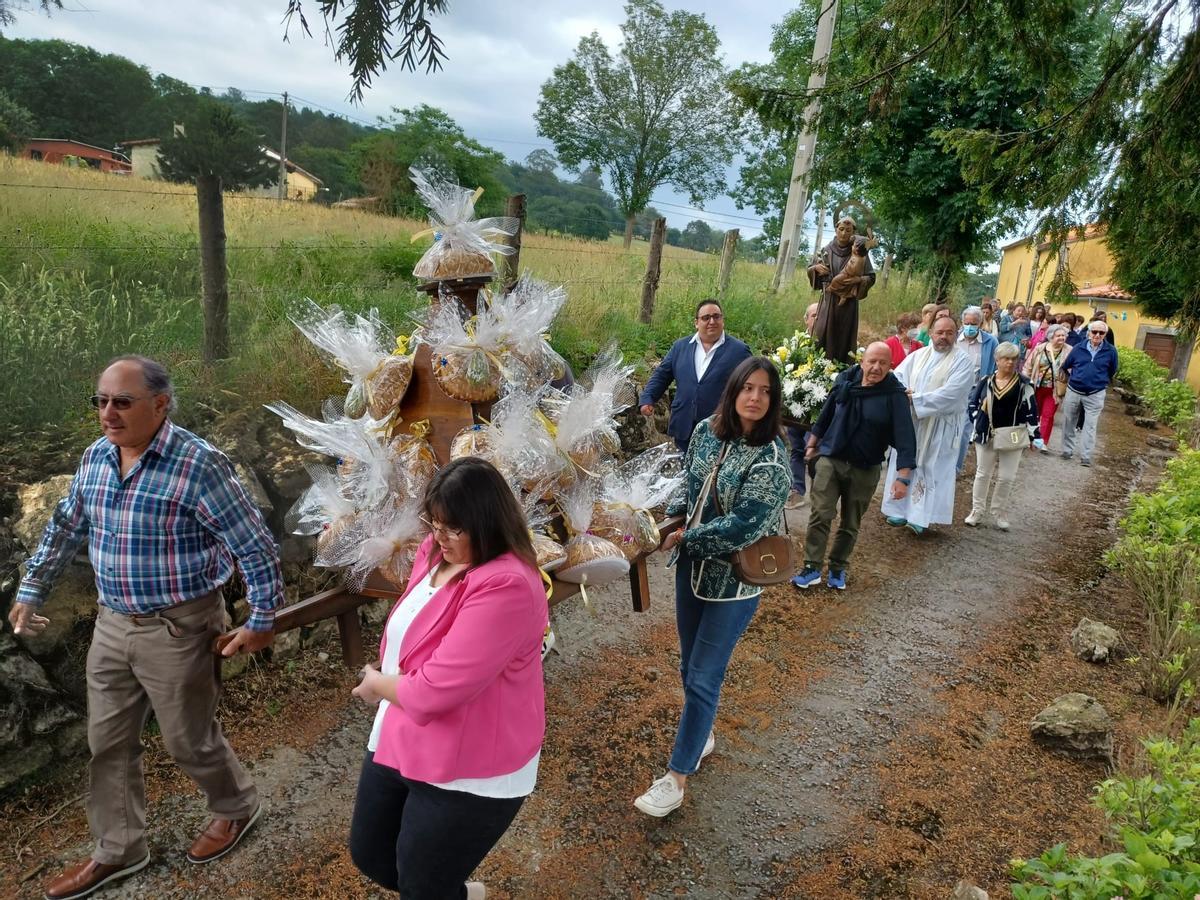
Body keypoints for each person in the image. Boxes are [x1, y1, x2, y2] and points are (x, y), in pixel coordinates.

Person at [10, 356, 281, 900]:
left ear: (160, 404)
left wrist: (262, 618)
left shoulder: (199, 465)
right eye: (101, 401)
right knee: (107, 743)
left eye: (121, 402)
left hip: (180, 628)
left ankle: (236, 806)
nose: (107, 413)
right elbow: (65, 525)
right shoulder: (97, 457)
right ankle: (119, 849)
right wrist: (31, 587)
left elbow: (254, 546)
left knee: (188, 740)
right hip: (112, 625)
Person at [348, 457, 547, 900]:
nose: (440, 536)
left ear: (487, 522)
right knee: (372, 855)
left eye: (453, 528)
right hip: (405, 730)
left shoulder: (508, 584)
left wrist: (377, 684)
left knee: (423, 885)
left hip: (471, 760)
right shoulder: (435, 552)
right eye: (434, 523)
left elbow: (434, 691)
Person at [635, 357, 790, 817]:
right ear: (734, 390)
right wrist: (668, 520)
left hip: (734, 582)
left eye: (765, 391)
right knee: (689, 665)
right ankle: (700, 734)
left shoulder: (772, 458)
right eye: (748, 388)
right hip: (692, 571)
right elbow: (688, 483)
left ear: (774, 400)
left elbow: (744, 525)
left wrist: (687, 538)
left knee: (704, 676)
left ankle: (676, 777)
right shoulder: (707, 430)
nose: (755, 398)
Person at [791, 342, 917, 591]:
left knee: (850, 522)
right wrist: (811, 445)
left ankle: (838, 567)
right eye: (872, 361)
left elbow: (905, 438)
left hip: (865, 467)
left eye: (883, 363)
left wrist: (903, 478)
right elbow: (826, 414)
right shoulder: (845, 382)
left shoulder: (894, 395)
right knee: (821, 514)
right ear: (862, 362)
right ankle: (811, 567)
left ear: (890, 366)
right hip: (831, 459)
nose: (876, 367)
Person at [880, 317, 976, 535]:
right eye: (940, 332)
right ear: (931, 333)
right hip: (913, 421)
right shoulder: (918, 355)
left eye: (949, 333)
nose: (944, 337)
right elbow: (899, 377)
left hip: (940, 426)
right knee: (906, 460)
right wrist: (903, 394)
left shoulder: (962, 362)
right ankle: (898, 509)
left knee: (931, 468)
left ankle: (920, 517)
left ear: (956, 335)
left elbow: (952, 393)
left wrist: (916, 399)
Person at [639, 298, 752, 451]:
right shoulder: (680, 347)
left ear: (722, 320)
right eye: (706, 318)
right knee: (684, 464)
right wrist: (648, 398)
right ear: (696, 323)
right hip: (683, 425)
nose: (712, 321)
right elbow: (662, 375)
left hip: (719, 427)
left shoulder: (739, 351)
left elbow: (750, 386)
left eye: (716, 316)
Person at [964, 343, 1043, 530]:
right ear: (997, 360)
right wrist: (978, 420)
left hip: (1012, 435)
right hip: (986, 434)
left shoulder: (1024, 384)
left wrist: (1035, 436)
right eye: (1006, 358)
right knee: (982, 474)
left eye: (1014, 359)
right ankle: (977, 511)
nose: (1010, 362)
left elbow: (1031, 410)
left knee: (1007, 477)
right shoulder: (985, 381)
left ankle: (999, 512)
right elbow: (972, 403)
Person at [808, 216, 876, 363]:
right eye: (841, 229)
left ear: (853, 232)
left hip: (848, 305)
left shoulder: (860, 252)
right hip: (828, 301)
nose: (844, 233)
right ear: (836, 230)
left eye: (848, 230)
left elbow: (871, 277)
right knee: (822, 335)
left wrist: (859, 280)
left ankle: (842, 368)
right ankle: (819, 367)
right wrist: (815, 269)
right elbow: (811, 270)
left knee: (844, 338)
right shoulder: (826, 250)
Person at [1059, 319, 1119, 466]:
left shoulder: (1111, 351)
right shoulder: (1078, 348)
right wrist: (1075, 377)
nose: (1097, 335)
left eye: (1101, 332)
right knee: (1069, 421)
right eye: (1094, 332)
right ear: (1089, 333)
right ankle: (1067, 450)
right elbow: (1066, 366)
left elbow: (1112, 370)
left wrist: (1100, 380)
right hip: (1074, 390)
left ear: (1105, 334)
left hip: (1095, 393)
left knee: (1090, 425)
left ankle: (1086, 456)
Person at [954, 306, 999, 472]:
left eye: (973, 323)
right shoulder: (953, 339)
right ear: (962, 322)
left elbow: (995, 367)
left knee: (964, 431)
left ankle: (955, 468)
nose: (969, 326)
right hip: (953, 390)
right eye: (966, 323)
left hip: (974, 391)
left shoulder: (990, 342)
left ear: (980, 324)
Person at [785, 302, 820, 509]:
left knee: (815, 450)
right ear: (806, 319)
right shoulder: (796, 343)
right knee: (796, 448)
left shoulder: (833, 341)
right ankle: (797, 490)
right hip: (796, 407)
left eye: (821, 315)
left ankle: (820, 494)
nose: (817, 318)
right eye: (814, 315)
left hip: (819, 408)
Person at [1023, 323, 1071, 447]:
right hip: (1037, 387)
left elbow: (1073, 368)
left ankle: (1042, 442)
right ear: (1051, 337)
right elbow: (1029, 365)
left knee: (1048, 415)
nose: (1062, 338)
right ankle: (1030, 438)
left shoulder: (1069, 350)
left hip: (1055, 389)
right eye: (1058, 336)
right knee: (1034, 413)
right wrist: (1025, 381)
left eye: (1063, 335)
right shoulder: (1040, 348)